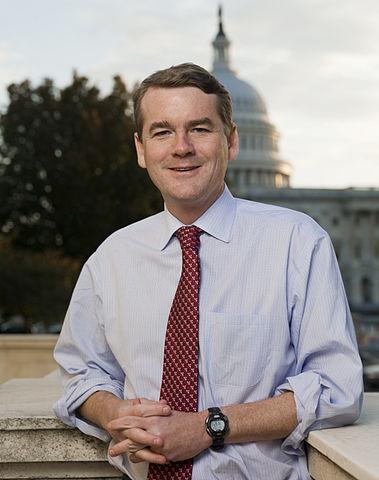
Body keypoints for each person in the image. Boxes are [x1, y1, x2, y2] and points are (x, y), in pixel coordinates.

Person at [54, 63, 363, 480]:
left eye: (199, 129)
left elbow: (337, 388)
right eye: (162, 132)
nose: (181, 147)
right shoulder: (111, 258)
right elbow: (81, 371)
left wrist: (206, 426)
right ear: (141, 149)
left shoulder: (297, 242)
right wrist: (114, 412)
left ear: (231, 141)